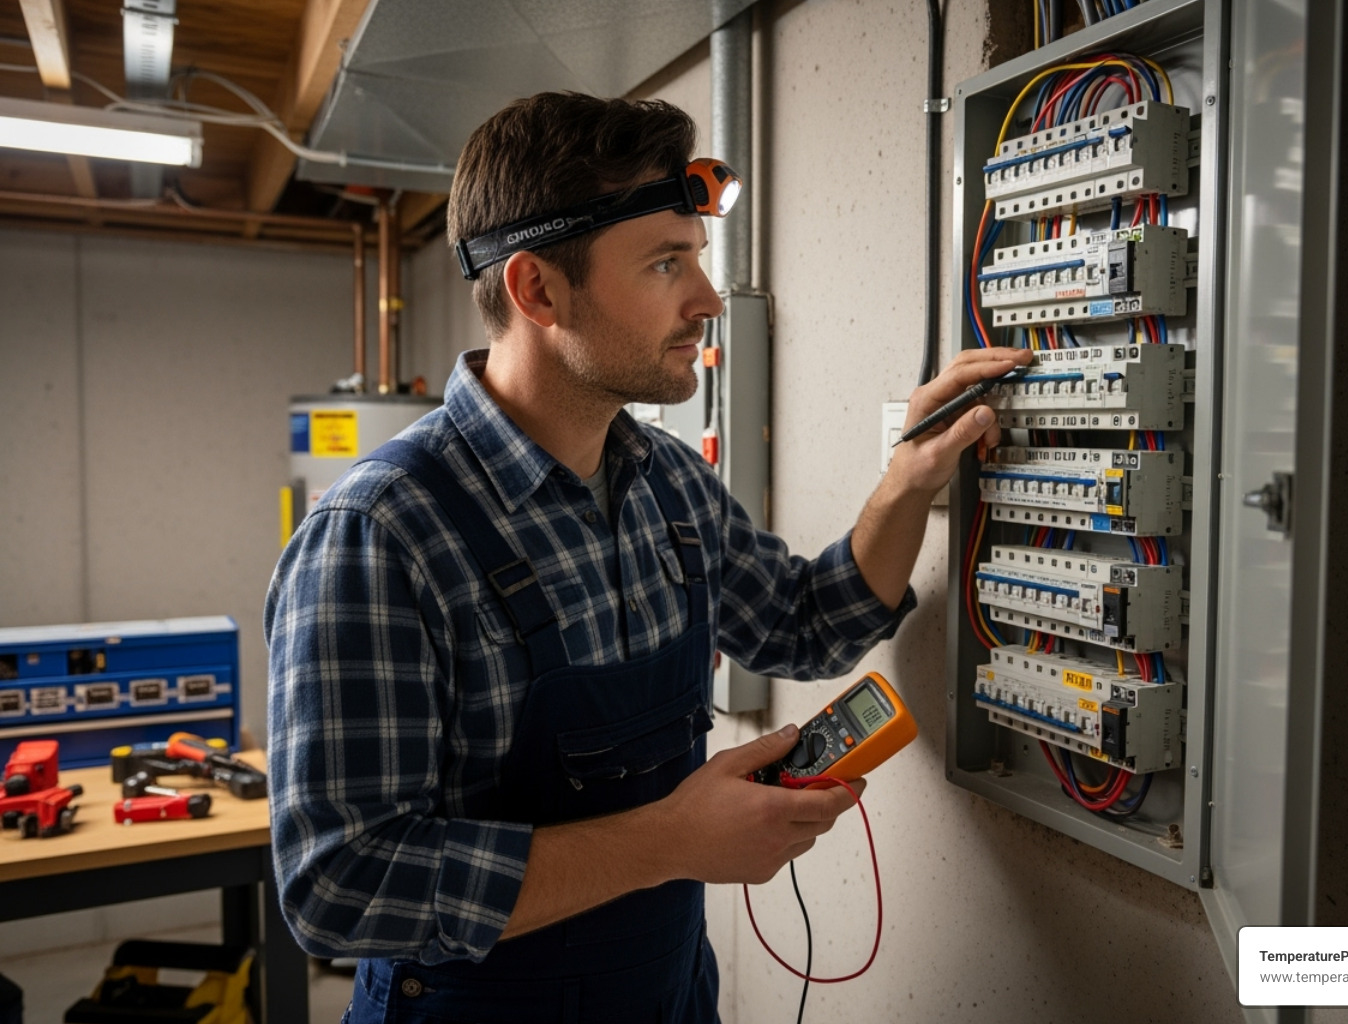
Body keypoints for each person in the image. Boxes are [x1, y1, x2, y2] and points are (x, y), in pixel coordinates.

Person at [265, 92, 1031, 1024]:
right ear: (537, 289)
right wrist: (666, 841)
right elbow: (338, 889)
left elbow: (805, 625)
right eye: (666, 263)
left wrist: (908, 480)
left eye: (696, 258)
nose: (707, 299)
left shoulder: (664, 481)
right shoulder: (382, 534)